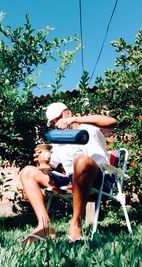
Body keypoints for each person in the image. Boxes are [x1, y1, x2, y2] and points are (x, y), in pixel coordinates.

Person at [20, 102, 117, 244]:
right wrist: (41, 160)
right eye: (52, 123)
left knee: (81, 160)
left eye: (57, 119)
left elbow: (112, 122)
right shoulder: (60, 140)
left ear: (68, 113)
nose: (55, 124)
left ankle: (75, 224)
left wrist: (75, 120)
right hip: (72, 180)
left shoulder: (90, 127)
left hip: (98, 179)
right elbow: (49, 167)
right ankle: (45, 226)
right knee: (27, 172)